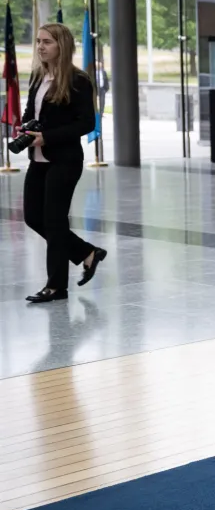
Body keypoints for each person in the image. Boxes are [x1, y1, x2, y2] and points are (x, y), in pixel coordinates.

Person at [20, 23, 107, 304]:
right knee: (34, 217)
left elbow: (86, 123)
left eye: (47, 42)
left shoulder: (78, 81)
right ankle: (86, 253)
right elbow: (30, 110)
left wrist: (47, 137)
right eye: (38, 41)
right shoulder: (38, 77)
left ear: (62, 46)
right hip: (39, 159)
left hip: (65, 161)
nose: (41, 47)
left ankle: (56, 286)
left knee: (55, 222)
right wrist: (24, 128)